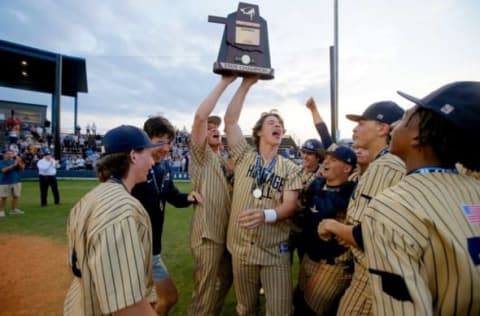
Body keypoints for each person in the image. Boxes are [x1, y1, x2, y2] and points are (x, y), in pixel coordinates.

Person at [362, 81, 480, 315]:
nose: (395, 125)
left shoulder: (391, 207)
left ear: (418, 136)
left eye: (406, 117)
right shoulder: (475, 189)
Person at [224, 77, 302, 316]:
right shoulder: (244, 155)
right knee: (246, 309)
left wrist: (265, 215)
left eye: (279, 123)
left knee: (279, 310)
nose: (277, 125)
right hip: (241, 249)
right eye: (271, 122)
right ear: (259, 132)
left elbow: (290, 206)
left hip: (274, 251)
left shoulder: (290, 167)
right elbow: (230, 121)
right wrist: (246, 85)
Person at [318, 100, 405, 315]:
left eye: (362, 122)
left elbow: (365, 235)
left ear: (382, 128)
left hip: (373, 275)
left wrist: (330, 226)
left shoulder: (385, 167)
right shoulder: (386, 163)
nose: (355, 128)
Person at [64, 125, 161, 315]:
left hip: (80, 303)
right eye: (149, 154)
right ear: (133, 156)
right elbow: (127, 306)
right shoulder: (121, 210)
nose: (152, 162)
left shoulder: (90, 198)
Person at [131, 116, 200, 316]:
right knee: (135, 305)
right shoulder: (133, 167)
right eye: (160, 141)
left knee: (167, 298)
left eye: (169, 142)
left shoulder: (164, 168)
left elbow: (172, 196)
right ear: (146, 139)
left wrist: (189, 197)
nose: (166, 147)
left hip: (153, 250)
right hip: (133, 250)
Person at [188, 75, 236, 316]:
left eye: (216, 126)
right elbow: (199, 117)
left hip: (228, 233)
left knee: (225, 281)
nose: (214, 129)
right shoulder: (201, 156)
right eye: (209, 128)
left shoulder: (227, 161)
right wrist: (225, 83)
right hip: (208, 233)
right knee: (205, 290)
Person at [295, 146, 357, 315]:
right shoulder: (316, 185)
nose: (326, 161)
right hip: (309, 257)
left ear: (347, 168)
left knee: (311, 310)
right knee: (299, 300)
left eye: (334, 159)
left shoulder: (352, 194)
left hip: (332, 264)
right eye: (327, 158)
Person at [0, 149, 25, 217]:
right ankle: (1, 211)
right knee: (3, 197)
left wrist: (19, 161)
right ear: (4, 155)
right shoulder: (2, 162)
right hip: (5, 182)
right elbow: (4, 170)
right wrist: (14, 165)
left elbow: (22, 169)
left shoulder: (15, 161)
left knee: (15, 196)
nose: (11, 155)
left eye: (12, 153)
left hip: (16, 181)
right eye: (9, 153)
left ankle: (14, 210)